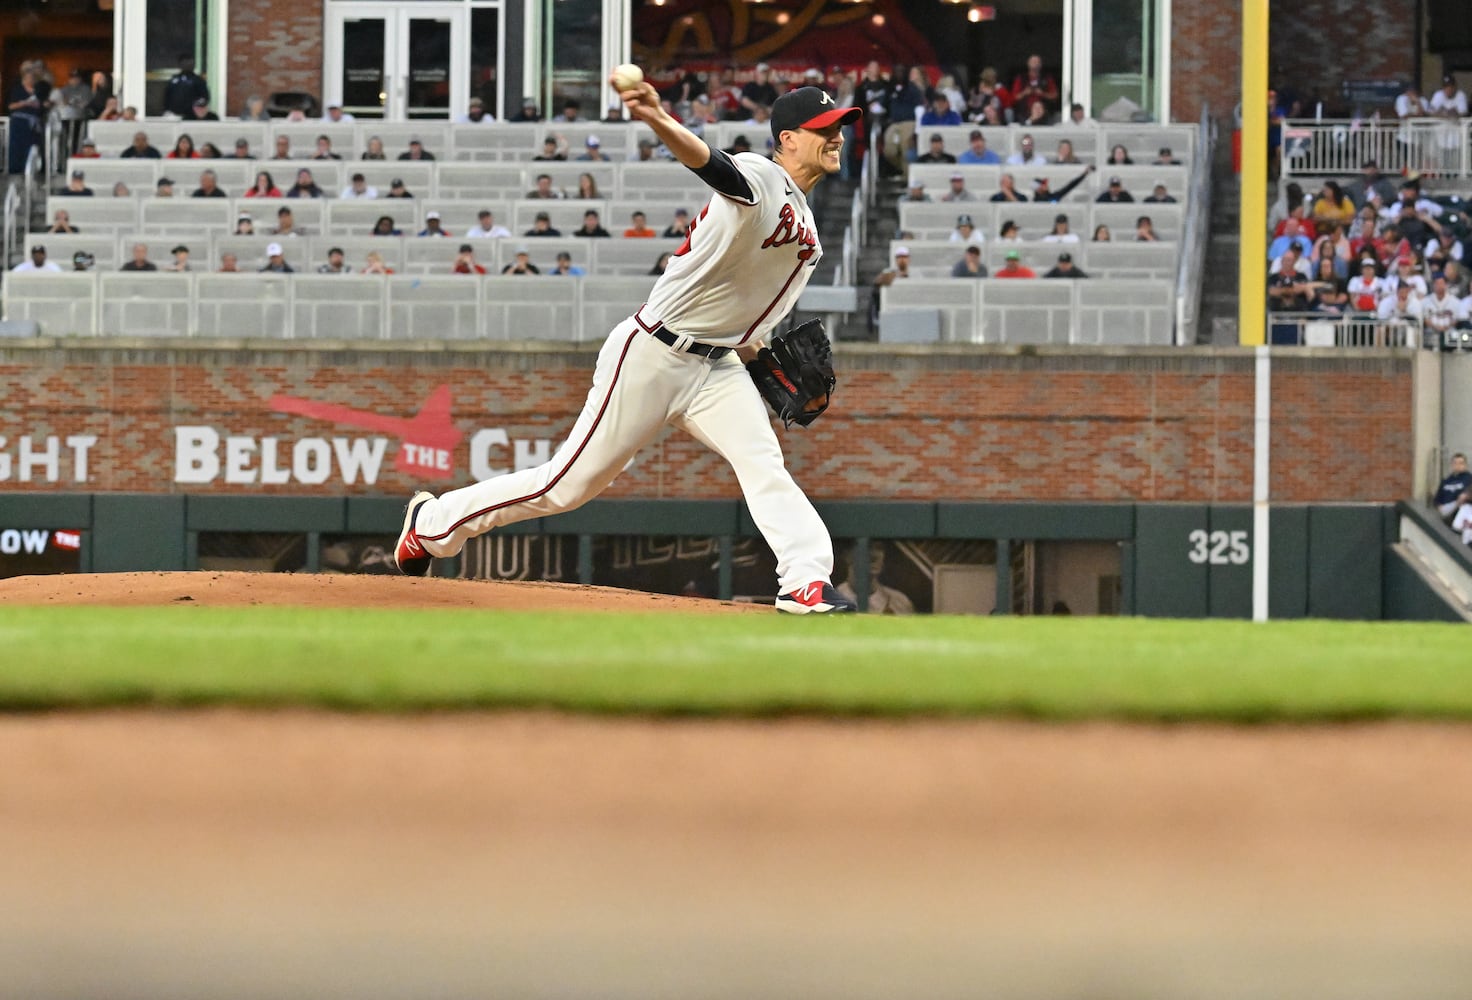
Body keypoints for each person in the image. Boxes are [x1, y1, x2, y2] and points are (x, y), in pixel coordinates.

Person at [394, 80, 863, 614]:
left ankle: (805, 580)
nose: (836, 138)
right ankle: (431, 525)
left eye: (840, 129)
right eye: (823, 129)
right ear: (788, 139)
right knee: (566, 487)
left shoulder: (809, 233)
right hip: (652, 353)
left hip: (717, 366)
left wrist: (762, 362)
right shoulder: (761, 175)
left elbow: (747, 321)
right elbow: (711, 164)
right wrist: (657, 118)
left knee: (763, 462)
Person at [8, 67, 45, 174]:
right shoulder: (17, 90)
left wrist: (39, 105)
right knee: (17, 147)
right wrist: (25, 103)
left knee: (32, 147)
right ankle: (15, 169)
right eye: (28, 78)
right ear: (23, 79)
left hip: (33, 124)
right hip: (19, 123)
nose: (30, 80)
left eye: (32, 78)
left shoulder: (38, 91)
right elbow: (11, 106)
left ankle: (31, 169)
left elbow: (42, 107)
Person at [1435, 454, 1472, 520]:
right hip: (1447, 512)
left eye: (1461, 463)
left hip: (1463, 511)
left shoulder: (1469, 478)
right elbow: (1437, 499)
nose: (1458, 465)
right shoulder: (1445, 481)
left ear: (1465, 465)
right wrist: (1439, 506)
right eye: (1455, 463)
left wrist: (1466, 496)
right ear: (1451, 465)